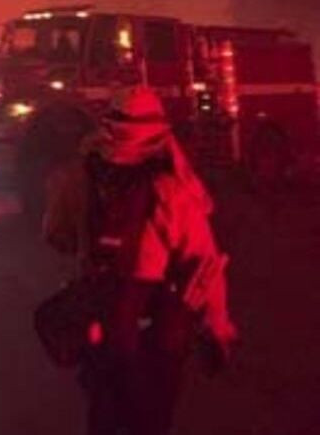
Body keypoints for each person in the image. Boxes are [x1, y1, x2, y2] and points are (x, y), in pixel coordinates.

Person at [42, 85, 237, 435]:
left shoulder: (79, 176)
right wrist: (219, 329)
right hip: (158, 337)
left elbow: (56, 235)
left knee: (102, 417)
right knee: (152, 423)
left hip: (99, 326)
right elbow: (205, 264)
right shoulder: (173, 190)